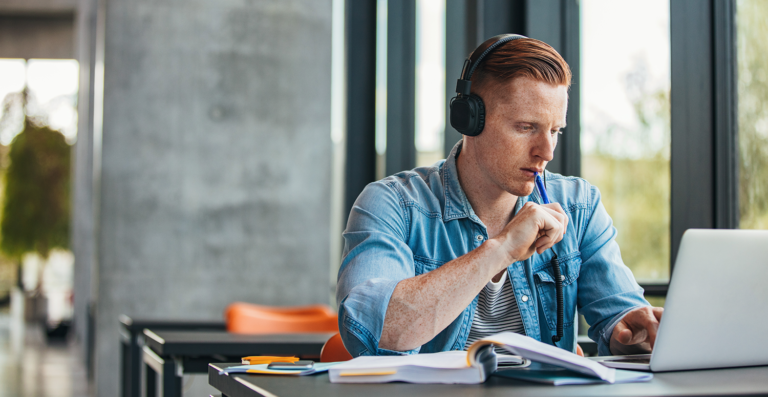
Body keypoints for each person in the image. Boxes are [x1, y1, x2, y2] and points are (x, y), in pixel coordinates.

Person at [336, 35, 663, 358]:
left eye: (555, 131)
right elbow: (376, 332)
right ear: (469, 120)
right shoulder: (393, 205)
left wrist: (632, 329)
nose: (546, 152)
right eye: (526, 127)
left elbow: (619, 317)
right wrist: (502, 248)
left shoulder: (580, 206)